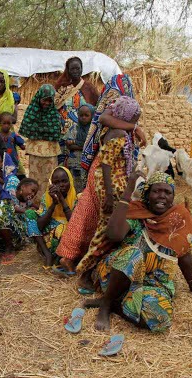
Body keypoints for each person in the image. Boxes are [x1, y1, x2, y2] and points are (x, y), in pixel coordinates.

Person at [83, 171, 192, 332]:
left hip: (152, 283)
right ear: (147, 194)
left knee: (160, 320)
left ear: (173, 197)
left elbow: (184, 253)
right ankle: (106, 305)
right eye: (156, 191)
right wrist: (128, 191)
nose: (162, 196)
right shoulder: (137, 214)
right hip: (119, 274)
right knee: (134, 254)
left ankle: (116, 305)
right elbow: (114, 234)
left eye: (167, 192)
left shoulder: (177, 220)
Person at [56, 74, 146, 274]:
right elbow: (104, 118)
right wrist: (134, 127)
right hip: (106, 172)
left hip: (104, 169)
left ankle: (71, 255)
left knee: (88, 212)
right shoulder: (118, 108)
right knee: (99, 216)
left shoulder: (121, 111)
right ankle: (83, 262)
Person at [76, 96, 141, 276]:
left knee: (105, 230)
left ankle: (95, 270)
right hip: (111, 188)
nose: (136, 122)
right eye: (135, 119)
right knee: (104, 232)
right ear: (126, 116)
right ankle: (85, 272)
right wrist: (111, 196)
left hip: (112, 186)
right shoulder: (119, 135)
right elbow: (106, 164)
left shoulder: (112, 130)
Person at [18, 84, 63, 205]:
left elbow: (56, 132)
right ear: (39, 98)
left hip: (51, 152)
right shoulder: (31, 112)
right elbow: (27, 128)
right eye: (45, 99)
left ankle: (50, 204)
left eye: (50, 100)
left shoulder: (54, 114)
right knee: (35, 179)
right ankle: (35, 204)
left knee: (50, 179)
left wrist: (39, 131)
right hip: (35, 152)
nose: (47, 103)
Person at [25, 167, 77, 267]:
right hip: (50, 231)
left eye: (64, 181)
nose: (60, 185)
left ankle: (60, 258)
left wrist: (62, 200)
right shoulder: (47, 197)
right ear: (51, 184)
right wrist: (54, 203)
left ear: (70, 181)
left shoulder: (76, 197)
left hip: (66, 234)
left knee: (61, 229)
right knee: (29, 213)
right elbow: (39, 226)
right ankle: (47, 254)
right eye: (56, 182)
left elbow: (74, 224)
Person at [54, 56, 100, 130]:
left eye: (78, 68)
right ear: (68, 70)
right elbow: (53, 107)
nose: (75, 71)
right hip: (61, 131)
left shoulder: (89, 87)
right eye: (72, 69)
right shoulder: (62, 87)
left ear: (82, 69)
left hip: (84, 132)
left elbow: (98, 107)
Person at [64, 103, 94, 192]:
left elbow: (94, 145)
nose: (83, 117)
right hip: (74, 163)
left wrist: (75, 144)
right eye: (81, 115)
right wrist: (85, 146)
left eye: (86, 115)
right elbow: (68, 145)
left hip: (89, 164)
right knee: (74, 187)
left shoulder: (94, 130)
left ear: (92, 116)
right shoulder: (74, 128)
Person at [0, 112, 26, 177]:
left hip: (13, 161)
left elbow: (23, 146)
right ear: (0, 124)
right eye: (4, 123)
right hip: (1, 161)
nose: (6, 125)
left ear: (11, 124)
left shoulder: (14, 135)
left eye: (8, 123)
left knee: (14, 176)